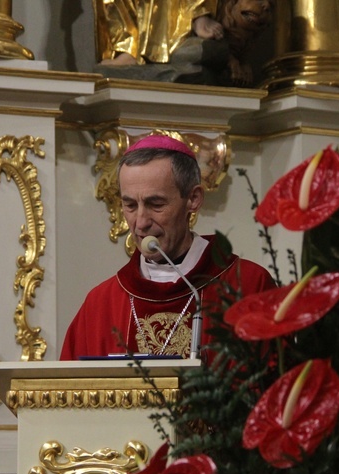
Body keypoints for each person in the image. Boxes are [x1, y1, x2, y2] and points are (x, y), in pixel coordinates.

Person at [60, 134, 275, 360]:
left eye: (156, 204)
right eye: (130, 205)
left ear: (193, 198)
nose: (141, 222)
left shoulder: (249, 288)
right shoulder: (100, 305)